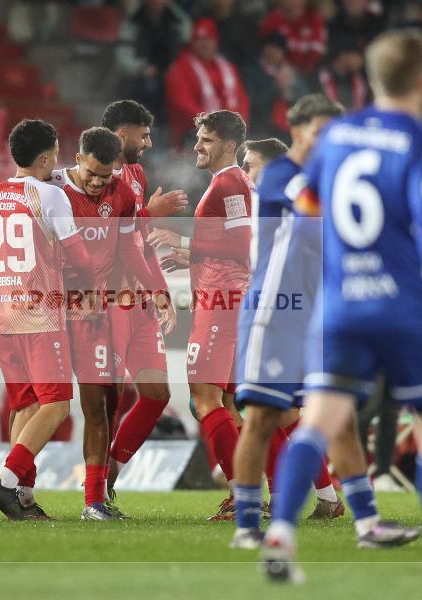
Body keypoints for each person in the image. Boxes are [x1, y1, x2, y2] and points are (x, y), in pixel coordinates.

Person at [261, 29, 422, 585]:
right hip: (403, 307)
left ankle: (281, 535)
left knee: (317, 423)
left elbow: (307, 209)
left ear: (372, 79)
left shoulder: (337, 135)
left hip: (341, 306)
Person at [0, 119, 95, 521]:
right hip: (41, 315)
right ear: (46, 158)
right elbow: (81, 259)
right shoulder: (51, 196)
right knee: (57, 405)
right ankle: (5, 482)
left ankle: (23, 496)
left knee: (25, 406)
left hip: (3, 317)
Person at [230, 95, 348, 551]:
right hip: (273, 311)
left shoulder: (317, 179)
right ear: (297, 131)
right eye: (321, 132)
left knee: (306, 413)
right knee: (264, 416)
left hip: (305, 313)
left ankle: (343, 505)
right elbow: (315, 223)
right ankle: (249, 524)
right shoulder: (282, 175)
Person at [49, 127, 173, 520]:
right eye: (92, 174)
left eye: (105, 176)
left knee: (101, 404)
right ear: (78, 159)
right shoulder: (52, 188)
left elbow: (129, 248)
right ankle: (19, 486)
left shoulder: (121, 192)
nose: (98, 183)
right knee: (38, 403)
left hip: (95, 312)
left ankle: (93, 500)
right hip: (52, 311)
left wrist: (156, 289)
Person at [150, 110, 251, 520]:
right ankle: (257, 488)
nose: (197, 146)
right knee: (225, 402)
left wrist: (185, 243)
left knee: (204, 398)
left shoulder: (229, 182)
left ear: (229, 144)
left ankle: (244, 495)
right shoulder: (230, 182)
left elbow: (241, 245)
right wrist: (190, 256)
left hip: (221, 304)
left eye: (206, 139)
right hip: (226, 299)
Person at [100, 100, 189, 507]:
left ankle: (111, 467)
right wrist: (151, 211)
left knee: (156, 393)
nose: (149, 143)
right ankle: (92, 488)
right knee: (110, 394)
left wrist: (160, 290)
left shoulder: (135, 173)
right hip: (110, 299)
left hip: (140, 299)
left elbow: (140, 240)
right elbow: (109, 236)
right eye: (144, 135)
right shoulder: (97, 177)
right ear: (122, 134)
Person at [164, 18, 250, 148]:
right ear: (192, 42)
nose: (204, 44)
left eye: (208, 39)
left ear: (216, 41)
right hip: (191, 139)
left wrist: (236, 125)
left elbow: (241, 100)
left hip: (228, 137)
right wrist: (215, 126)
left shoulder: (228, 68)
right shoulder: (179, 69)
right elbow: (183, 106)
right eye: (199, 40)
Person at [259, 0, 327, 74]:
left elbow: (317, 54)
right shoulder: (272, 20)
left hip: (306, 74)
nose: (293, 2)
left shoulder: (314, 18)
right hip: (277, 72)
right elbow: (268, 55)